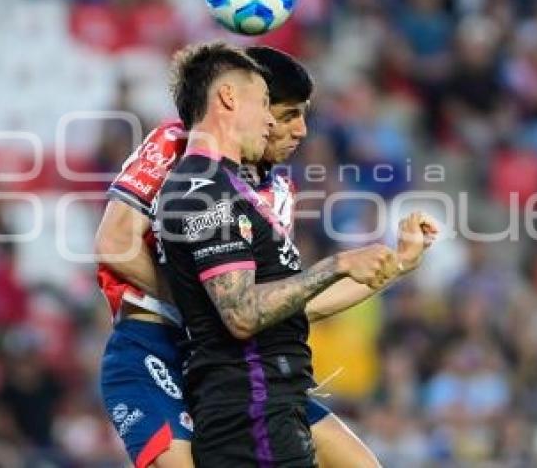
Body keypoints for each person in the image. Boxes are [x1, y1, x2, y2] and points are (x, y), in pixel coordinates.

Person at [96, 45, 418, 467]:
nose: (297, 129)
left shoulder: (278, 191)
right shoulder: (178, 144)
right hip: (157, 345)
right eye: (284, 114)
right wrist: (203, 303)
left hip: (238, 363)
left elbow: (285, 303)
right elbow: (114, 244)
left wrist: (392, 268)